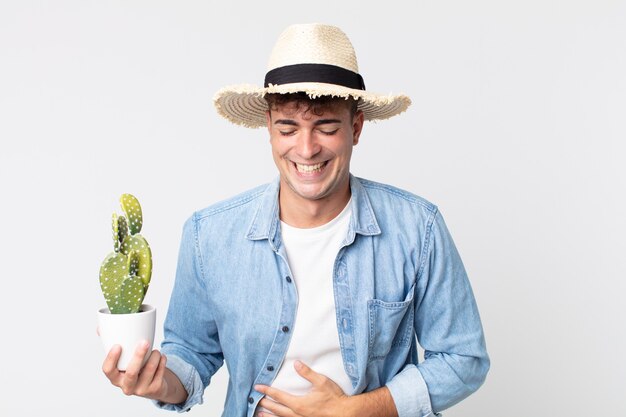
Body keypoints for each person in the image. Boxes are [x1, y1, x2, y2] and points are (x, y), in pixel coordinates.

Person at [102, 23, 489, 417]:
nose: (306, 149)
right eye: (288, 128)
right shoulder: (209, 235)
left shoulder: (416, 228)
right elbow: (190, 355)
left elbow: (463, 358)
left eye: (326, 127)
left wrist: (361, 410)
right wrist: (157, 382)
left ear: (355, 128)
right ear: (269, 127)